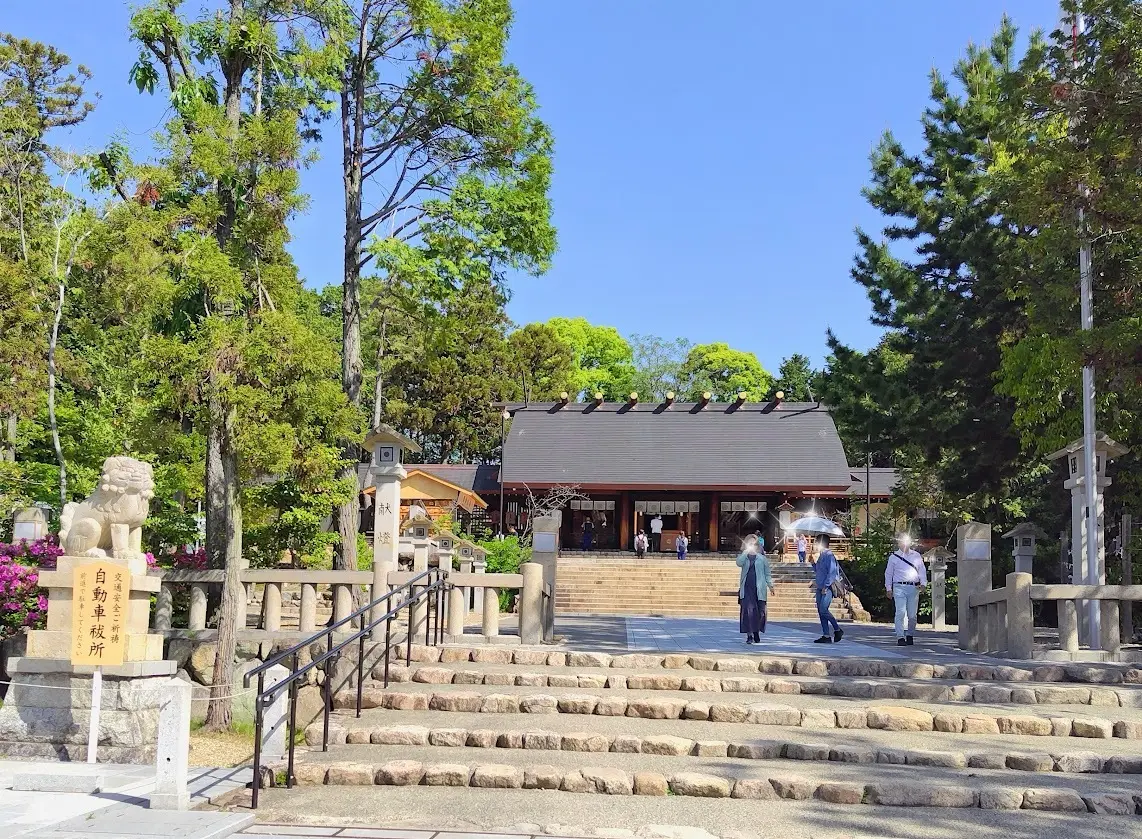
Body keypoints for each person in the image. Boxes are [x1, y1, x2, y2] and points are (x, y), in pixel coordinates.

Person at [885, 533, 927, 646]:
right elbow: (888, 574)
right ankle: (900, 637)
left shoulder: (916, 556)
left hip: (913, 587)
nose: (904, 543)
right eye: (901, 541)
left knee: (912, 615)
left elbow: (922, 570)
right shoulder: (893, 557)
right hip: (899, 587)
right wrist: (888, 588)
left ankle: (910, 634)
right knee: (900, 612)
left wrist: (923, 584)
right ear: (898, 543)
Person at [737, 536, 775, 644]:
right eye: (750, 544)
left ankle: (756, 631)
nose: (752, 546)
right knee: (748, 612)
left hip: (760, 589)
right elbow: (738, 563)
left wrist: (771, 586)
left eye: (753, 544)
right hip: (747, 587)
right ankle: (749, 635)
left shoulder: (762, 558)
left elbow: (767, 574)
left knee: (761, 612)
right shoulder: (744, 557)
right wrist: (745, 552)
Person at [811, 535, 844, 644]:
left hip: (827, 587)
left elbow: (832, 572)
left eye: (816, 542)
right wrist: (812, 563)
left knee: (824, 609)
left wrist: (826, 586)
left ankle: (837, 629)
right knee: (821, 611)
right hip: (820, 586)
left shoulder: (829, 555)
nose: (815, 545)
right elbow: (819, 571)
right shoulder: (821, 555)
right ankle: (826, 635)